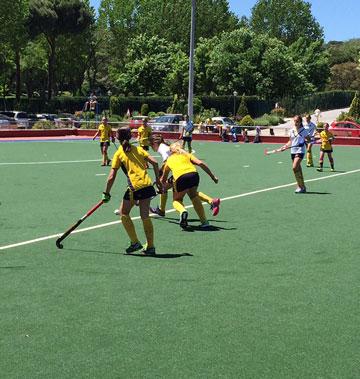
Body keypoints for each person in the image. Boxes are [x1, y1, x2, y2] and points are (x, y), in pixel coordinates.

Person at [102, 127, 161, 255]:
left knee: (123, 213)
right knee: (145, 216)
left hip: (135, 187)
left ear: (118, 138)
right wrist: (159, 180)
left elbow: (111, 177)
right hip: (147, 185)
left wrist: (106, 193)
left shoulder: (119, 153)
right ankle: (150, 247)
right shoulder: (138, 149)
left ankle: (135, 242)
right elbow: (155, 163)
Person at [149, 134, 220, 217]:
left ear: (154, 143)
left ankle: (162, 210)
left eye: (151, 145)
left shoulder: (161, 148)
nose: (151, 147)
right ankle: (211, 201)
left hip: (179, 173)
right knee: (191, 192)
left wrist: (160, 175)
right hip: (189, 171)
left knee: (166, 188)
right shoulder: (165, 146)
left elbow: (166, 162)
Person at [160, 142, 219, 229]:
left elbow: (164, 179)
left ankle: (183, 211)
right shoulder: (187, 154)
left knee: (177, 200)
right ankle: (205, 222)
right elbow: (200, 163)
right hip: (194, 175)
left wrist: (161, 186)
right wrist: (213, 177)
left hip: (180, 178)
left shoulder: (169, 160)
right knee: (194, 196)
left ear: (171, 151)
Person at [279, 115, 308, 193]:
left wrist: (304, 141)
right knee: (298, 169)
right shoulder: (291, 130)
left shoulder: (304, 130)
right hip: (293, 151)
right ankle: (302, 186)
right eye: (294, 121)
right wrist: (284, 147)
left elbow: (308, 139)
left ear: (300, 122)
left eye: (297, 121)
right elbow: (290, 141)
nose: (296, 123)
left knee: (294, 167)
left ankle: (300, 186)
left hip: (300, 151)